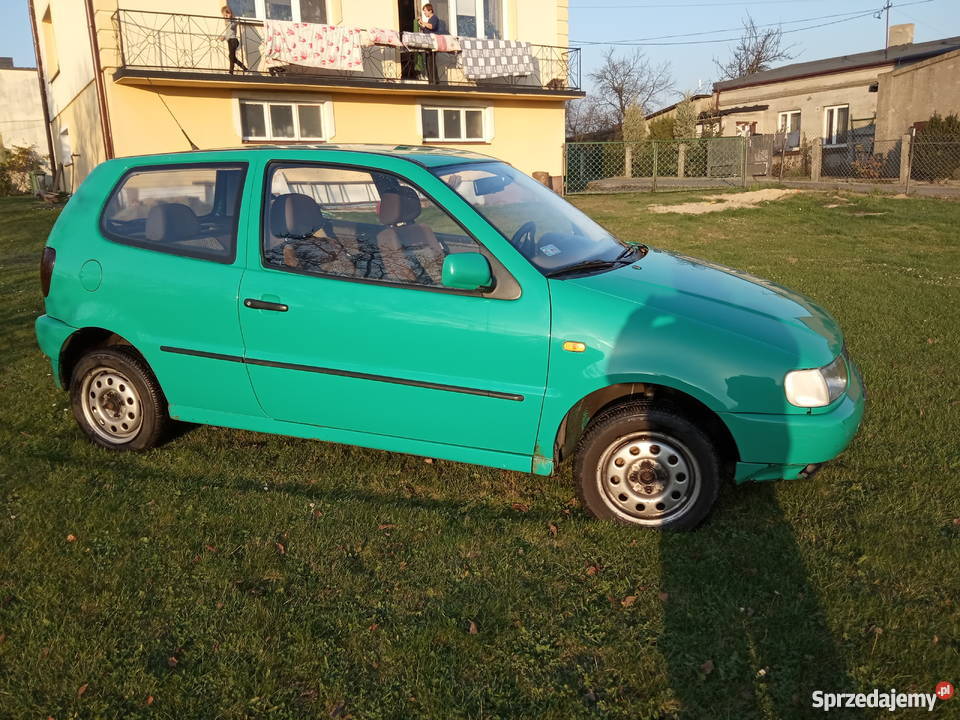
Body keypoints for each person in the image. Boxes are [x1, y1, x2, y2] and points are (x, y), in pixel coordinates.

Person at [416, 4, 445, 84]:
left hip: (432, 43)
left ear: (430, 10)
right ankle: (431, 80)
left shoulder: (434, 18)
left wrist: (422, 22)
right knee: (428, 62)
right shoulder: (429, 19)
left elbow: (431, 27)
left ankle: (434, 81)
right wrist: (421, 25)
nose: (424, 13)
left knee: (431, 62)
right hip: (429, 43)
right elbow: (427, 28)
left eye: (425, 11)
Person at [219, 5, 248, 74]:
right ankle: (244, 68)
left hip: (234, 41)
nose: (226, 16)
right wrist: (224, 37)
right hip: (230, 41)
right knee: (232, 57)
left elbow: (232, 27)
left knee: (231, 56)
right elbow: (229, 33)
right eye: (225, 15)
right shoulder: (228, 22)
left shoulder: (234, 21)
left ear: (231, 13)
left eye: (227, 14)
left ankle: (231, 72)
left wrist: (229, 19)